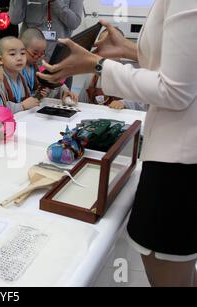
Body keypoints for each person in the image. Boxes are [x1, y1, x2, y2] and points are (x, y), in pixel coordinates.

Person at [38, 1, 197, 287]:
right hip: (177, 153)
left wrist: (97, 65)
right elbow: (183, 63)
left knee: (169, 271)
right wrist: (127, 49)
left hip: (179, 164)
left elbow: (175, 91)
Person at [9, 0, 83, 59]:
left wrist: (55, 2)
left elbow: (74, 22)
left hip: (57, 58)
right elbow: (15, 19)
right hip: (29, 59)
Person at [0, 36, 40, 108]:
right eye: (12, 54)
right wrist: (21, 106)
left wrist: (39, 95)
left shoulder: (21, 76)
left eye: (22, 53)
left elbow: (28, 100)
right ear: (0, 59)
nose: (19, 58)